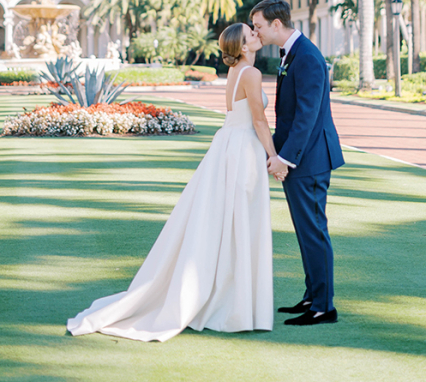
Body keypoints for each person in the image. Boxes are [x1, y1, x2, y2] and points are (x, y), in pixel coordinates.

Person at [66, 23, 278, 341]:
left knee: (227, 221)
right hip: (243, 147)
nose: (256, 35)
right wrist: (273, 155)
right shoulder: (250, 74)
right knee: (240, 220)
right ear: (243, 46)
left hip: (228, 145)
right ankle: (232, 303)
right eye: (251, 34)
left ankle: (229, 299)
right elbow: (259, 120)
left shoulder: (236, 72)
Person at [250, 0, 344, 326]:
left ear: (277, 24)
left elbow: (307, 116)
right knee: (306, 232)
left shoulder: (307, 56)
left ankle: (324, 307)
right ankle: (312, 296)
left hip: (310, 160)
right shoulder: (292, 52)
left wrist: (284, 159)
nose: (255, 31)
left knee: (313, 231)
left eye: (259, 26)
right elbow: (289, 117)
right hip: (300, 159)